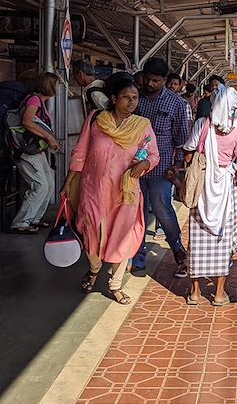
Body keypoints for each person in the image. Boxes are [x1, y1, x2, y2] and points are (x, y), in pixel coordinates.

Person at [63, 76, 159, 304]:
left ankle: (114, 284)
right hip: (93, 189)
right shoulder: (96, 120)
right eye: (126, 97)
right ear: (114, 99)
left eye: (135, 98)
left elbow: (153, 154)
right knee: (91, 231)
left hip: (125, 193)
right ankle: (95, 268)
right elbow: (80, 153)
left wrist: (144, 164)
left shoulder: (142, 125)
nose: (132, 102)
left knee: (122, 236)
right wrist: (68, 182)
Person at [170, 86, 237, 306]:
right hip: (224, 193)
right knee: (221, 242)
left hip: (201, 190)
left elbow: (188, 151)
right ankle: (219, 294)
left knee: (197, 240)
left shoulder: (203, 125)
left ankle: (194, 293)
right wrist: (224, 168)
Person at [132, 57, 190, 276]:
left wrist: (176, 165)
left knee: (162, 210)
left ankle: (178, 251)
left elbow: (182, 138)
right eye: (147, 79)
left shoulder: (177, 104)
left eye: (156, 81)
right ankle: (137, 260)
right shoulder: (135, 98)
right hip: (134, 168)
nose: (150, 84)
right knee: (135, 214)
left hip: (161, 168)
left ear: (164, 80)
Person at [10, 72, 61, 234]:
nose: (59, 88)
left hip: (35, 150)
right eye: (57, 84)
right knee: (40, 185)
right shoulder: (34, 100)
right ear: (49, 85)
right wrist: (49, 137)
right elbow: (27, 121)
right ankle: (21, 222)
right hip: (26, 151)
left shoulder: (38, 101)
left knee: (49, 183)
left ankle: (35, 218)